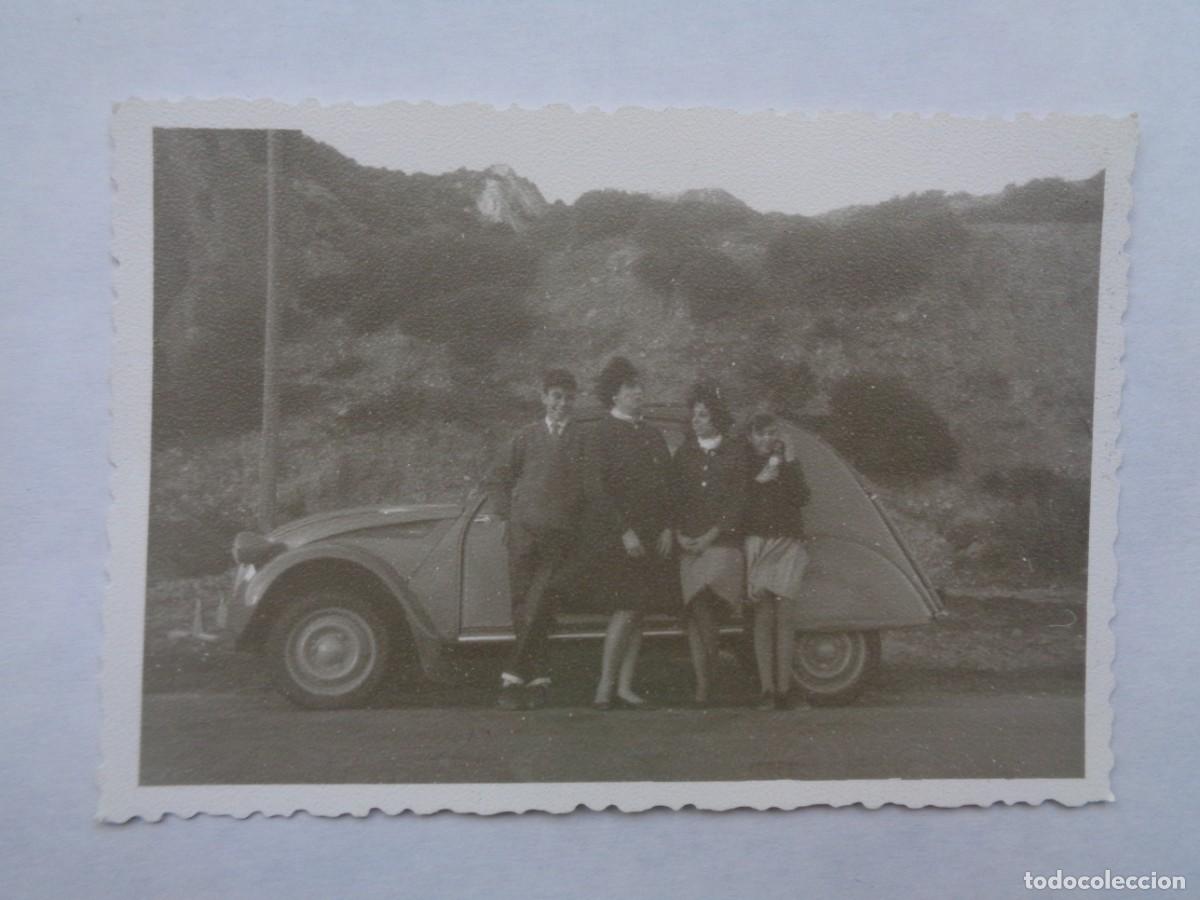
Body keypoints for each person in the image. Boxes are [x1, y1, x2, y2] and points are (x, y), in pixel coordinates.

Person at [571, 356, 674, 710]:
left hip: (651, 536)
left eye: (639, 387)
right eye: (631, 388)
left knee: (639, 611)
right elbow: (596, 489)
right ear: (614, 395)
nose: (638, 393)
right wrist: (625, 531)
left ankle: (625, 688)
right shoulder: (600, 433)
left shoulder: (651, 433)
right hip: (618, 538)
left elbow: (666, 487)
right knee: (626, 608)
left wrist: (665, 527)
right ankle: (605, 685)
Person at [483, 369, 580, 711]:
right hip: (523, 535)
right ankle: (537, 678)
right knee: (523, 605)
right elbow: (497, 480)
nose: (561, 404)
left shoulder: (582, 439)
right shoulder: (524, 437)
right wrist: (510, 516)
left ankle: (512, 675)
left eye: (568, 397)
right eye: (556, 396)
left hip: (560, 536)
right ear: (543, 397)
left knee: (541, 603)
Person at [671, 382, 749, 706]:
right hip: (689, 544)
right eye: (694, 415)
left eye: (702, 415)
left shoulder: (734, 451)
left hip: (722, 543)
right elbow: (673, 497)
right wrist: (678, 533)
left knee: (704, 599)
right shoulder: (684, 454)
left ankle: (708, 681)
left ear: (715, 417)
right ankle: (706, 683)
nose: (696, 420)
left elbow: (739, 501)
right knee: (696, 609)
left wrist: (711, 535)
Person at [743, 412, 812, 710]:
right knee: (763, 617)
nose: (767, 439)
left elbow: (802, 497)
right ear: (750, 437)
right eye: (760, 434)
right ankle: (767, 689)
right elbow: (737, 504)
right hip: (759, 542)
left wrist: (791, 459)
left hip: (787, 541)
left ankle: (785, 688)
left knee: (786, 616)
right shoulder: (744, 465)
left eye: (771, 433)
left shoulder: (786, 465)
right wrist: (758, 481)